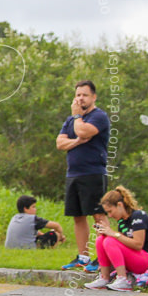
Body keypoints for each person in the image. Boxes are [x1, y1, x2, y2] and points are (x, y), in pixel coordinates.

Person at [56, 80, 111, 273]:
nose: (80, 98)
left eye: (84, 95)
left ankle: (105, 257)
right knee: (78, 216)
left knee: (98, 215)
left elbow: (83, 130)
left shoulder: (99, 116)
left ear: (93, 97)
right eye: (78, 95)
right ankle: (83, 257)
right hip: (73, 174)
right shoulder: (70, 120)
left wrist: (78, 118)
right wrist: (78, 141)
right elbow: (60, 144)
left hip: (93, 173)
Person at [84, 186, 148, 292]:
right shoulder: (122, 222)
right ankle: (104, 278)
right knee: (101, 239)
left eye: (111, 211)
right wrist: (106, 233)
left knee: (110, 240)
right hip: (135, 256)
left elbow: (138, 244)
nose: (110, 215)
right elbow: (122, 244)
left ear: (120, 205)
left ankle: (123, 280)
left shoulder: (138, 217)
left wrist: (114, 234)